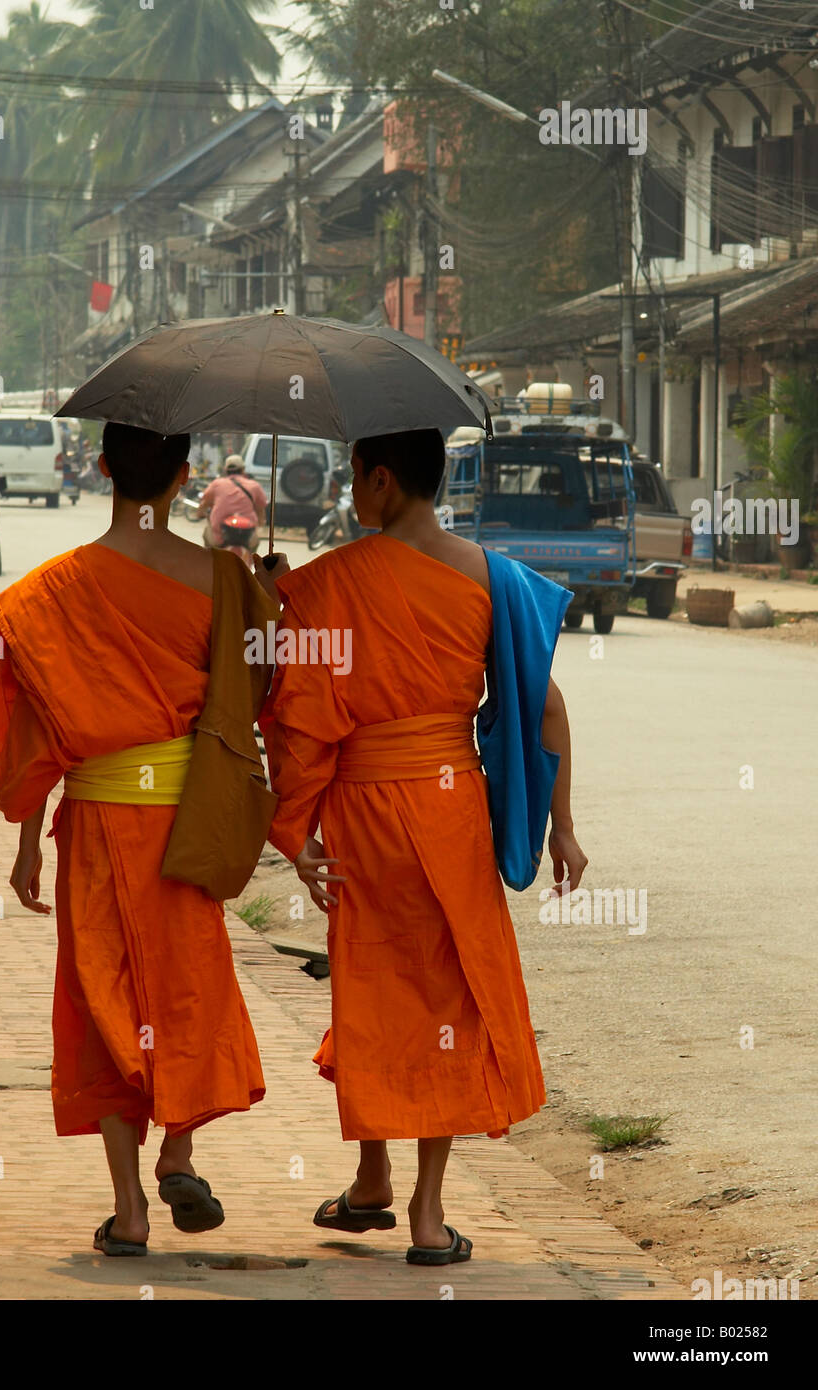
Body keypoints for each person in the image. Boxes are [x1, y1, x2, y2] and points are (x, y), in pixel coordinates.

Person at [260, 427, 588, 1266]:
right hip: (450, 812)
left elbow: (298, 722)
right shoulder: (494, 580)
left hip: (362, 814)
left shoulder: (327, 584)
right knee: (446, 1002)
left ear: (380, 482)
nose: (350, 495)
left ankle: (371, 1171)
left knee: (371, 988)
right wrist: (564, 827)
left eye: (354, 480)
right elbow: (544, 712)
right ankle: (422, 1212)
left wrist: (294, 831)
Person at [0, 423, 276, 1257]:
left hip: (100, 823)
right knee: (187, 986)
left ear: (104, 466)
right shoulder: (222, 576)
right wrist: (264, 593)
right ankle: (179, 1147)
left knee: (100, 993)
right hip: (188, 823)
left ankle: (130, 1208)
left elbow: (33, 728)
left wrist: (28, 841)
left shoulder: (53, 591)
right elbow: (257, 694)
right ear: (185, 478)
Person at [195, 454, 267, 567]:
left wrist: (199, 513)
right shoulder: (254, 486)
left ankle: (208, 564)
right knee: (255, 543)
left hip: (219, 537)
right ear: (243, 470)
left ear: (225, 470)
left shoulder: (217, 484)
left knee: (207, 536)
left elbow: (205, 503)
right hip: (247, 536)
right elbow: (260, 509)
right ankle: (250, 561)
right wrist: (261, 523)